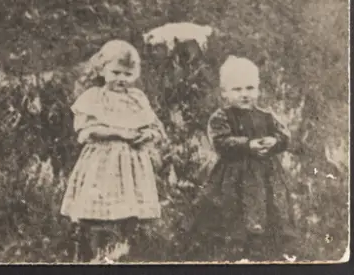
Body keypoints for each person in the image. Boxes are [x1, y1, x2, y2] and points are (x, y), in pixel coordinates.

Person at [60, 40, 166, 262]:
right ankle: (94, 250)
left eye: (127, 74)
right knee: (98, 209)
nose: (121, 79)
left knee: (128, 210)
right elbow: (89, 129)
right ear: (102, 70)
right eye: (116, 72)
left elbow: (154, 127)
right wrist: (120, 133)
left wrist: (148, 134)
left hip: (132, 164)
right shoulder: (95, 97)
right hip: (103, 161)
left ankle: (120, 249)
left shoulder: (137, 98)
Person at [188, 56, 296, 262]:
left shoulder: (266, 116)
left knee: (270, 204)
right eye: (237, 89)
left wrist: (273, 141)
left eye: (250, 88)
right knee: (235, 208)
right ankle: (237, 246)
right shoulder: (221, 117)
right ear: (224, 93)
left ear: (258, 89)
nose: (244, 94)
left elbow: (284, 136)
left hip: (265, 173)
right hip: (234, 175)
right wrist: (247, 145)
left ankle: (267, 244)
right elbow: (220, 141)